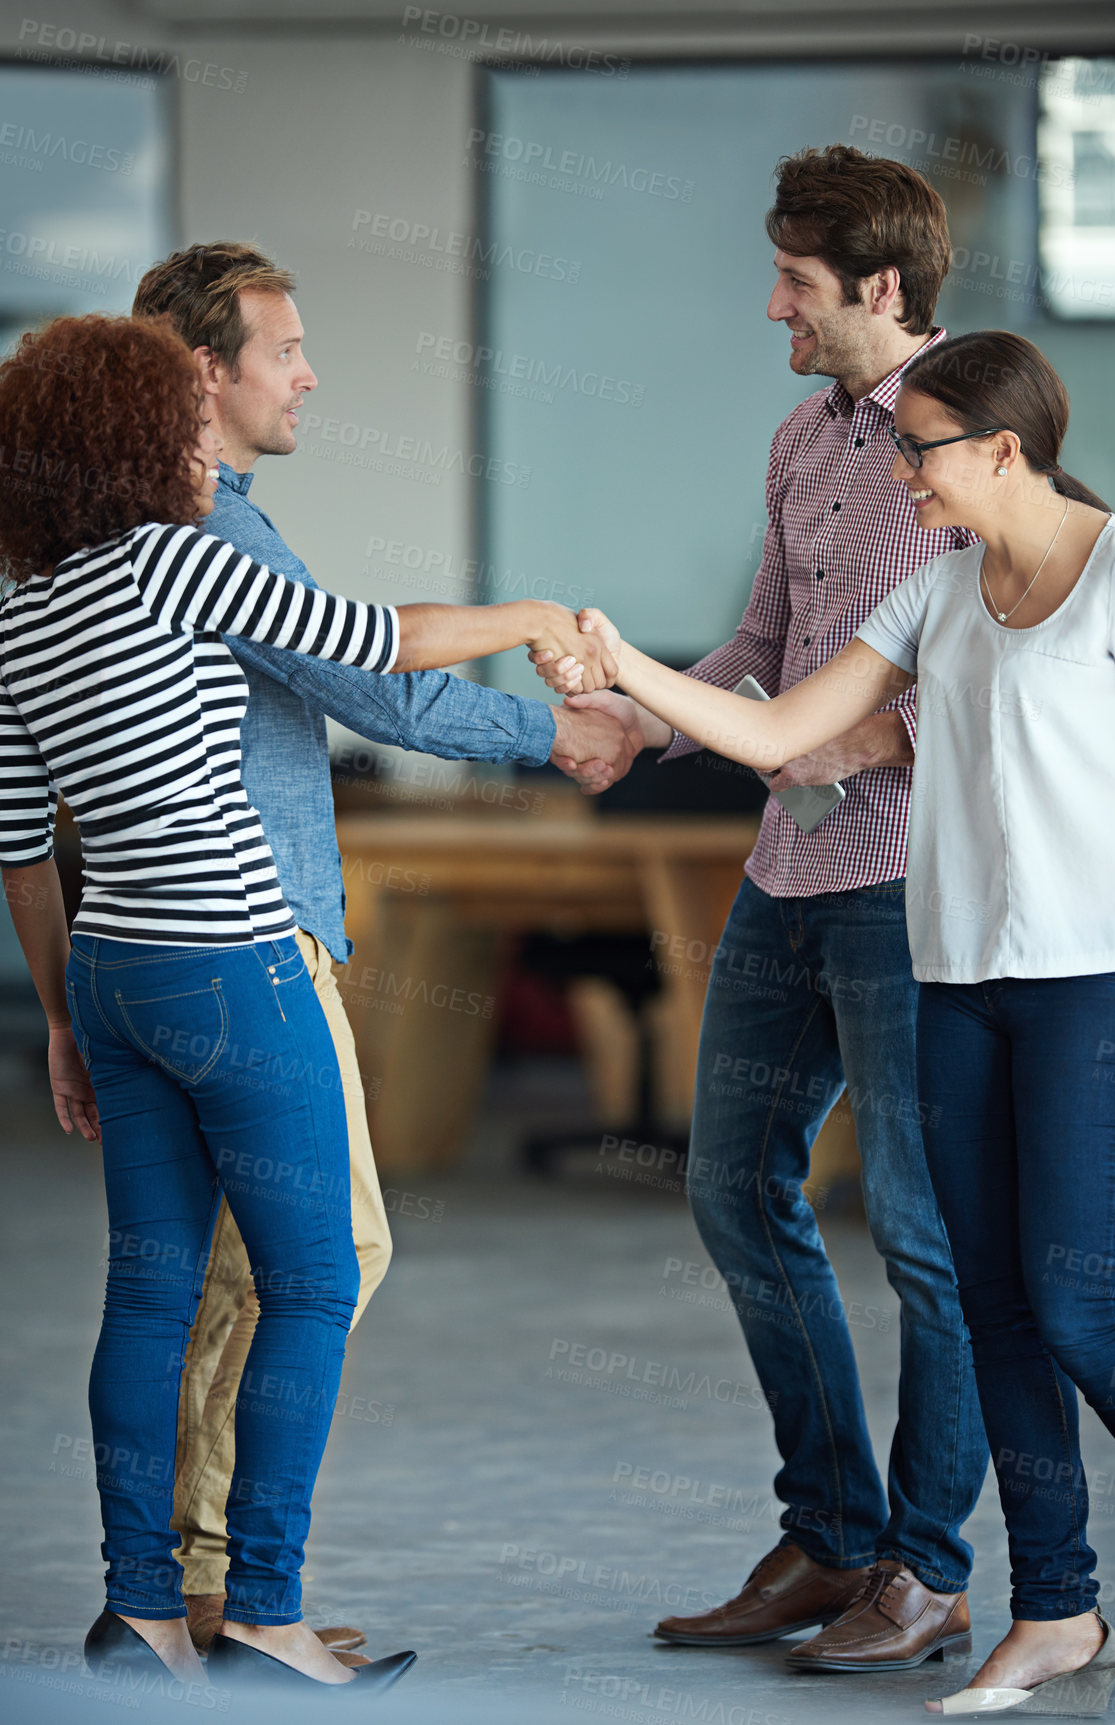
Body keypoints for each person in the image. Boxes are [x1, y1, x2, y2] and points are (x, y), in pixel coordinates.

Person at [539, 326, 1115, 1717]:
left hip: (1101, 988)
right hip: (960, 985)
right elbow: (774, 734)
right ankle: (1055, 1607)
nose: (899, 470)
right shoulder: (936, 595)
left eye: (920, 447)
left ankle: (1003, 1586)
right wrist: (624, 666)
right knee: (996, 1306)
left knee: (1074, 1307)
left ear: (1003, 448)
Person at [0, 311, 616, 1691]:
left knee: (149, 1293)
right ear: (127, 438)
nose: (194, 437)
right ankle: (268, 1609)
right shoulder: (178, 559)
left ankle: (140, 1612)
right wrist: (528, 618)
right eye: (173, 417)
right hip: (233, 954)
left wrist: (56, 1017)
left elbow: (16, 841)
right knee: (315, 1277)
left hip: (111, 972)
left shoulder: (18, 602)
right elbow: (374, 646)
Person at [556, 144, 991, 1672]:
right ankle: (830, 1535)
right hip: (787, 874)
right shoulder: (804, 439)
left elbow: (980, 670)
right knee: (734, 1187)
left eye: (796, 283)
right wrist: (641, 723)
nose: (772, 308)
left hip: (910, 891)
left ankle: (924, 1569)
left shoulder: (980, 440)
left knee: (930, 1238)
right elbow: (762, 645)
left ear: (883, 285)